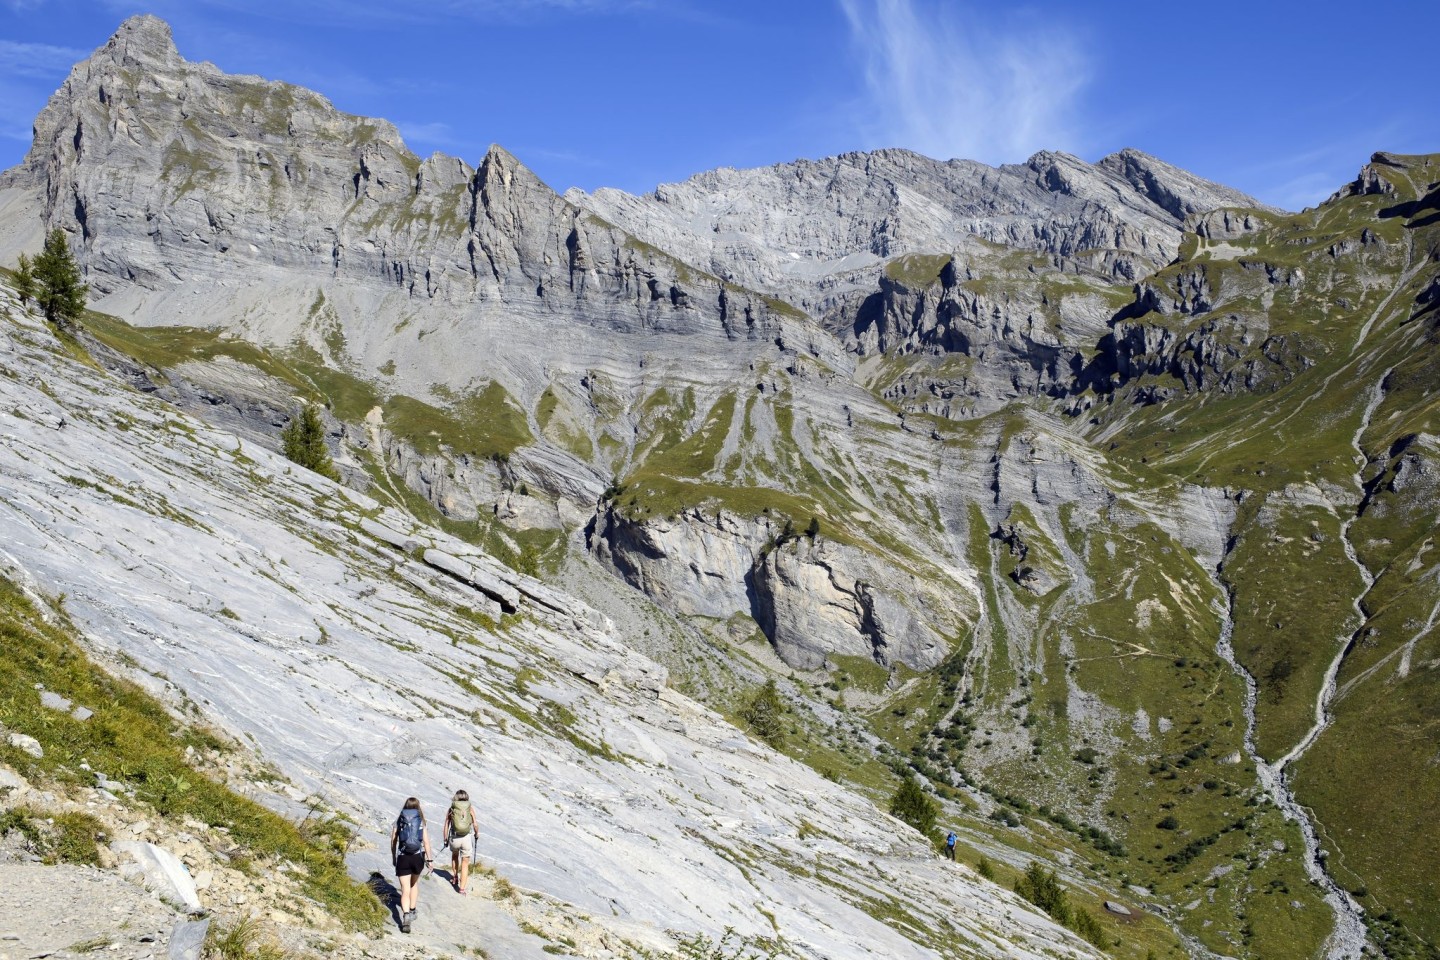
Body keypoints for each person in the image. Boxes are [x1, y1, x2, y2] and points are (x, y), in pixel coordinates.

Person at [390, 797, 432, 932]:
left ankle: (406, 915)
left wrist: (393, 856)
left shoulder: (399, 820)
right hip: (417, 857)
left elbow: (393, 840)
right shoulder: (420, 820)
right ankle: (413, 910)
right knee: (413, 884)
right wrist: (430, 860)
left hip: (403, 857)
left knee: (404, 889)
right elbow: (426, 842)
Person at [443, 789, 476, 894]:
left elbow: (446, 825)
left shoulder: (451, 809)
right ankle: (461, 889)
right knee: (465, 863)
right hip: (466, 838)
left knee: (454, 856)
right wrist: (477, 834)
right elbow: (475, 824)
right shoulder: (470, 809)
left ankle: (455, 876)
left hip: (454, 837)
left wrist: (445, 839)